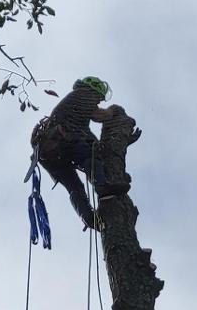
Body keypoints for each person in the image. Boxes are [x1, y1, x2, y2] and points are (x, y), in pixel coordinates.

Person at [31, 76, 130, 229]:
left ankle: (89, 218)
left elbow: (84, 132)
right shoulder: (84, 94)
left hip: (46, 153)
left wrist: (96, 144)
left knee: (75, 187)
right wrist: (114, 111)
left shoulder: (71, 107)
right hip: (61, 141)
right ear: (95, 89)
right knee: (90, 156)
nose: (98, 102)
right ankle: (102, 187)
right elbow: (100, 116)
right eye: (98, 98)